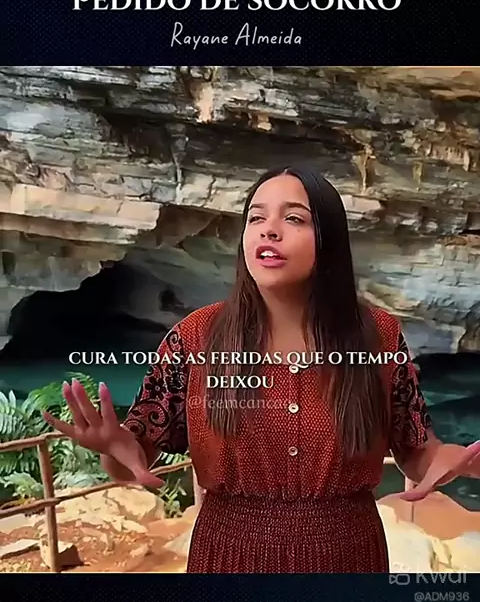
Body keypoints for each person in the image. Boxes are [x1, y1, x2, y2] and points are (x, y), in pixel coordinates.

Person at [44, 166, 480, 573]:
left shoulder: (379, 337)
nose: (269, 229)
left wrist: (452, 459)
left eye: (294, 218)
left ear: (328, 240)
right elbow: (134, 461)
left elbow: (416, 449)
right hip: (229, 557)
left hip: (349, 557)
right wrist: (115, 448)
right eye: (256, 218)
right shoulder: (194, 338)